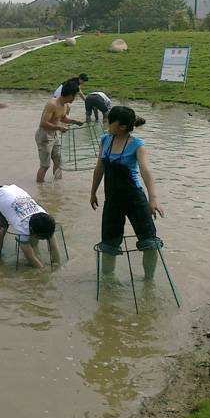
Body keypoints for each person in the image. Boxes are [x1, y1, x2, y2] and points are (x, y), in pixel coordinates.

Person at [90, 106, 165, 279]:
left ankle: (149, 280)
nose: (107, 124)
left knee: (149, 241)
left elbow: (146, 172)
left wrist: (153, 199)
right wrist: (93, 192)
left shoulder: (137, 145)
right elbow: (99, 169)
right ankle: (108, 280)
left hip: (134, 199)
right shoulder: (105, 140)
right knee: (109, 243)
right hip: (112, 200)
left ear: (122, 126)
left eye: (110, 121)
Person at [0, 184, 60, 268]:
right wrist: (42, 270)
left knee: (34, 240)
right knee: (1, 229)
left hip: (13, 192)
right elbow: (30, 257)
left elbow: (54, 247)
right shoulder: (22, 229)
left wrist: (57, 265)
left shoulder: (46, 221)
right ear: (30, 229)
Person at [35, 80, 83, 182]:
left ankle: (57, 185)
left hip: (54, 135)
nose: (74, 98)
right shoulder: (52, 104)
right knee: (45, 165)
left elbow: (63, 118)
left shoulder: (65, 105)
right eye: (74, 96)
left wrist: (75, 121)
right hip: (44, 136)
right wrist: (59, 128)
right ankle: (40, 188)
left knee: (58, 161)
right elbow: (43, 123)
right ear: (69, 95)